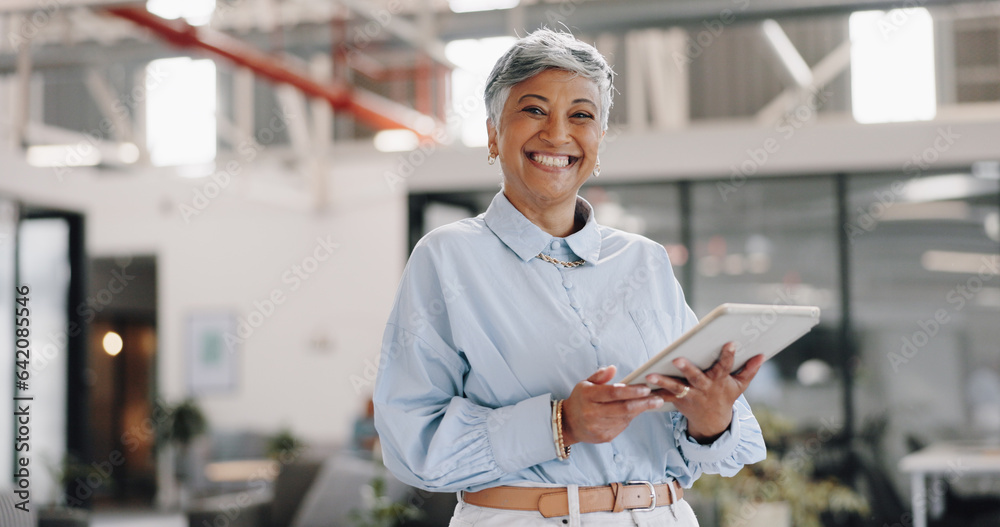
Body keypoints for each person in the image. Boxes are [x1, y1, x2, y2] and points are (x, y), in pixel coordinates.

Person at [374, 28, 766, 527]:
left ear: (598, 140)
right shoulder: (449, 258)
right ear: (494, 133)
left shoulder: (644, 261)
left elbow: (720, 451)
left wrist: (711, 421)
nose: (558, 134)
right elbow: (412, 443)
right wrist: (559, 423)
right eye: (534, 110)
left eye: (581, 115)